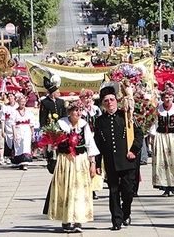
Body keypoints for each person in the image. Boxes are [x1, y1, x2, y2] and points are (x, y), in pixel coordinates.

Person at [94, 82, 143, 231]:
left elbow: (139, 134)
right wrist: (97, 163)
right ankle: (116, 220)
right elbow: (97, 144)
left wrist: (134, 150)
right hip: (111, 162)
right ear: (103, 103)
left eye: (112, 99)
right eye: (106, 101)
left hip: (128, 160)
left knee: (128, 191)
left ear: (116, 100)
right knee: (113, 191)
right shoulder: (100, 121)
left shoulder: (125, 115)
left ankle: (125, 211)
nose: (109, 103)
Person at [47, 100, 99, 233]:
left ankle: (78, 220)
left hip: (80, 160)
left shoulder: (84, 125)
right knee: (65, 188)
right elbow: (52, 142)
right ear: (70, 111)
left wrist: (92, 164)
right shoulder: (61, 124)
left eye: (80, 110)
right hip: (65, 160)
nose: (79, 113)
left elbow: (90, 145)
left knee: (79, 189)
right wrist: (53, 146)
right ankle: (66, 219)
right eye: (76, 110)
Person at [152, 88, 174, 196]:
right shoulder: (158, 109)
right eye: (166, 97)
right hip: (161, 137)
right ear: (162, 98)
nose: (168, 99)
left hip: (173, 137)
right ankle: (165, 186)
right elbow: (154, 124)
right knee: (162, 162)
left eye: (170, 97)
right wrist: (153, 138)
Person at [12, 96, 35, 170]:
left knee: (26, 145)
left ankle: (25, 163)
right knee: (18, 146)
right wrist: (14, 135)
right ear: (18, 102)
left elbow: (32, 124)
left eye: (24, 102)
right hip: (18, 130)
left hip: (26, 130)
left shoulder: (28, 111)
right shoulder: (15, 112)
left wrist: (33, 134)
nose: (23, 103)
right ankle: (19, 162)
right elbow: (13, 125)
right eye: (21, 101)